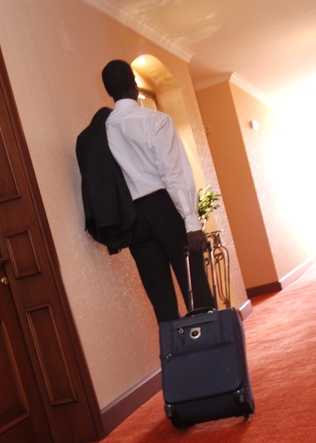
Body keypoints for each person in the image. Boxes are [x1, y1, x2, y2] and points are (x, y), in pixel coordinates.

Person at [76, 59, 214, 324]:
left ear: (108, 91)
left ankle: (180, 360)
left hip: (133, 218)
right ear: (134, 84)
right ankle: (211, 355)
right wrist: (192, 220)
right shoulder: (155, 121)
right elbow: (173, 174)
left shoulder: (102, 130)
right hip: (165, 207)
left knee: (160, 299)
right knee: (195, 290)